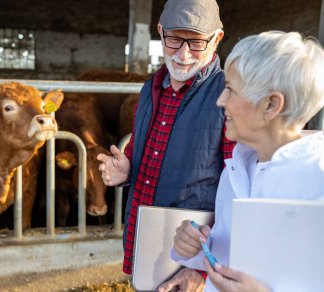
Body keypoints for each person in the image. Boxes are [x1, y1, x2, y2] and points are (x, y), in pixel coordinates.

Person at [159, 30, 324, 292]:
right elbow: (231, 258)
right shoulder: (237, 169)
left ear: (271, 105)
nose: (220, 101)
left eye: (230, 89)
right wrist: (195, 249)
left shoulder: (317, 179)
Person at [97, 0, 235, 275]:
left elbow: (238, 190)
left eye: (196, 43)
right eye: (174, 40)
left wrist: (203, 269)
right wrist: (127, 171)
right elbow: (140, 149)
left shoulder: (228, 95)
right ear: (160, 32)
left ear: (216, 39)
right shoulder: (150, 89)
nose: (183, 54)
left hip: (195, 253)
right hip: (144, 237)